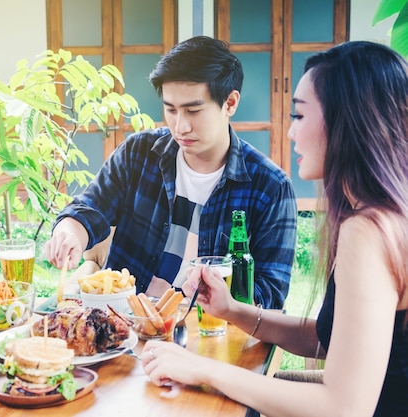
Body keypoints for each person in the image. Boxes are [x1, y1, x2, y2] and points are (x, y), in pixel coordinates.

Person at [141, 41, 408, 417]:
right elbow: (328, 337)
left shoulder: (369, 230)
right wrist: (234, 310)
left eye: (299, 116)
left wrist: (202, 368)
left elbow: (344, 407)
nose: (289, 133)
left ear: (348, 119)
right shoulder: (384, 215)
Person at [46, 36, 297, 309]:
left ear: (230, 103)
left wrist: (218, 296)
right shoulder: (138, 154)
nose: (181, 127)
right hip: (123, 327)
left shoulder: (270, 187)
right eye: (171, 110)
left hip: (207, 335)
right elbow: (89, 209)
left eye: (193, 111)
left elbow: (270, 293)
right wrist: (70, 233)